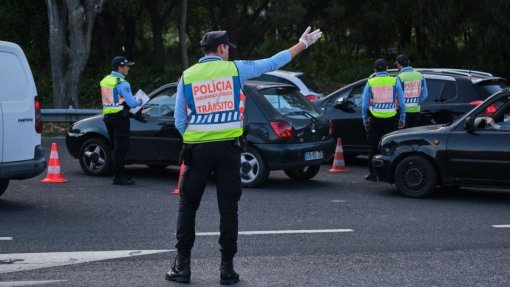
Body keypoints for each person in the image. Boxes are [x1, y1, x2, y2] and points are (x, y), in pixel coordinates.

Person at [166, 27, 322, 285]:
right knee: (228, 208)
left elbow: (179, 120)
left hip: (197, 151)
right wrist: (302, 44)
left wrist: (195, 138)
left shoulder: (187, 76)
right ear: (223, 49)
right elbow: (273, 62)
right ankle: (226, 270)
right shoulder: (235, 69)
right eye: (228, 48)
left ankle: (182, 267)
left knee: (188, 206)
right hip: (229, 150)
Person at [361, 58, 406, 181]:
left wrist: (366, 122)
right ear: (387, 68)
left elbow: (364, 106)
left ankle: (373, 174)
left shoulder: (370, 82)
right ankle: (392, 174)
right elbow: (401, 103)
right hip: (391, 119)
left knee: (373, 147)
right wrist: (402, 118)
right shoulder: (394, 80)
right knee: (392, 147)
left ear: (374, 69)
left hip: (375, 120)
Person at [100, 56, 142, 185]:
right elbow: (132, 103)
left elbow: (114, 98)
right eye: (126, 66)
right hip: (120, 118)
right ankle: (119, 177)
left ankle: (119, 174)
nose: (128, 68)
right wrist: (140, 101)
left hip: (108, 117)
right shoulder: (122, 83)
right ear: (120, 67)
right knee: (122, 148)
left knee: (115, 147)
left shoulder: (105, 80)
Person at [395, 54, 429, 128]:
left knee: (403, 137)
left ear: (398, 64)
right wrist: (418, 102)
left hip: (403, 113)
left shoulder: (399, 77)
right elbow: (425, 94)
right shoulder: (420, 75)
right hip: (416, 112)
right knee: (413, 136)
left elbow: (396, 96)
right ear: (409, 62)